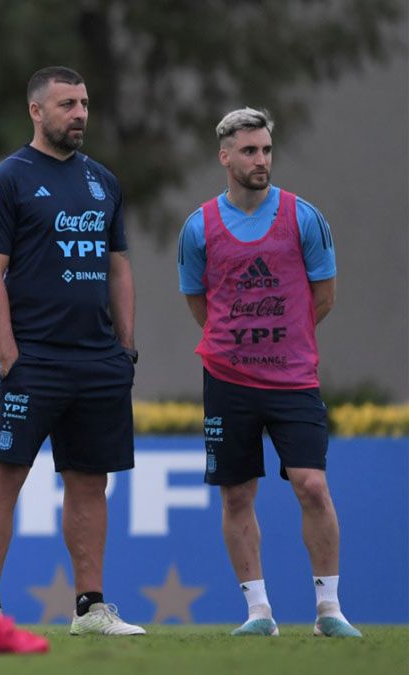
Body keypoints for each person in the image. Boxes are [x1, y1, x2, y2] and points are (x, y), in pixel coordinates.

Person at [0, 66, 144, 636]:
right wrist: (9, 355)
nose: (79, 114)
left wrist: (125, 348)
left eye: (85, 103)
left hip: (97, 362)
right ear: (36, 112)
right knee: (5, 475)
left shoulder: (104, 182)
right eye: (67, 103)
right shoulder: (7, 181)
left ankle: (91, 608)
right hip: (34, 359)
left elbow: (119, 266)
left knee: (90, 480)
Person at [177, 107, 359, 638]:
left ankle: (329, 611)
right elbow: (198, 300)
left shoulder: (305, 218)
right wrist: (236, 342)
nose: (261, 160)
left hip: (294, 380)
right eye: (250, 151)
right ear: (225, 156)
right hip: (227, 380)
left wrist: (281, 342)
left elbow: (323, 298)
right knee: (236, 495)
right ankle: (259, 613)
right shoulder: (198, 227)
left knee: (312, 486)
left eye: (267, 150)